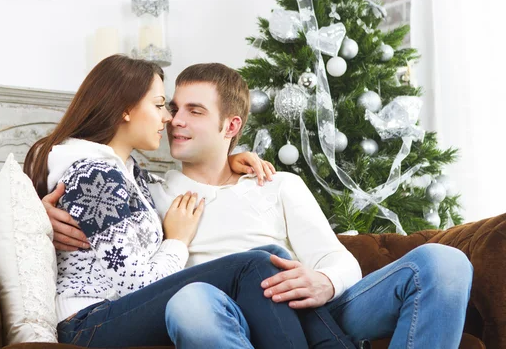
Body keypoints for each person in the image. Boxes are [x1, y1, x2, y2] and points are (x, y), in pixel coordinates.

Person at [47, 61, 474, 349]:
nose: (174, 120)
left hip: (313, 309)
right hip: (224, 315)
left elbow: (339, 260)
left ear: (230, 125)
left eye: (193, 111)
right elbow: (93, 181)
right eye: (171, 107)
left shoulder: (276, 183)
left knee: (445, 263)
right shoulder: (150, 191)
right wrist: (43, 214)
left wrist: (323, 282)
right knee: (190, 301)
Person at [25, 55, 357, 348]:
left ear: (230, 126)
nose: (169, 119)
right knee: (258, 262)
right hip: (90, 321)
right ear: (125, 110)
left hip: (109, 312)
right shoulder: (97, 174)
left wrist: (232, 159)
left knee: (271, 257)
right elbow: (134, 284)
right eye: (160, 106)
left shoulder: (127, 173)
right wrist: (177, 242)